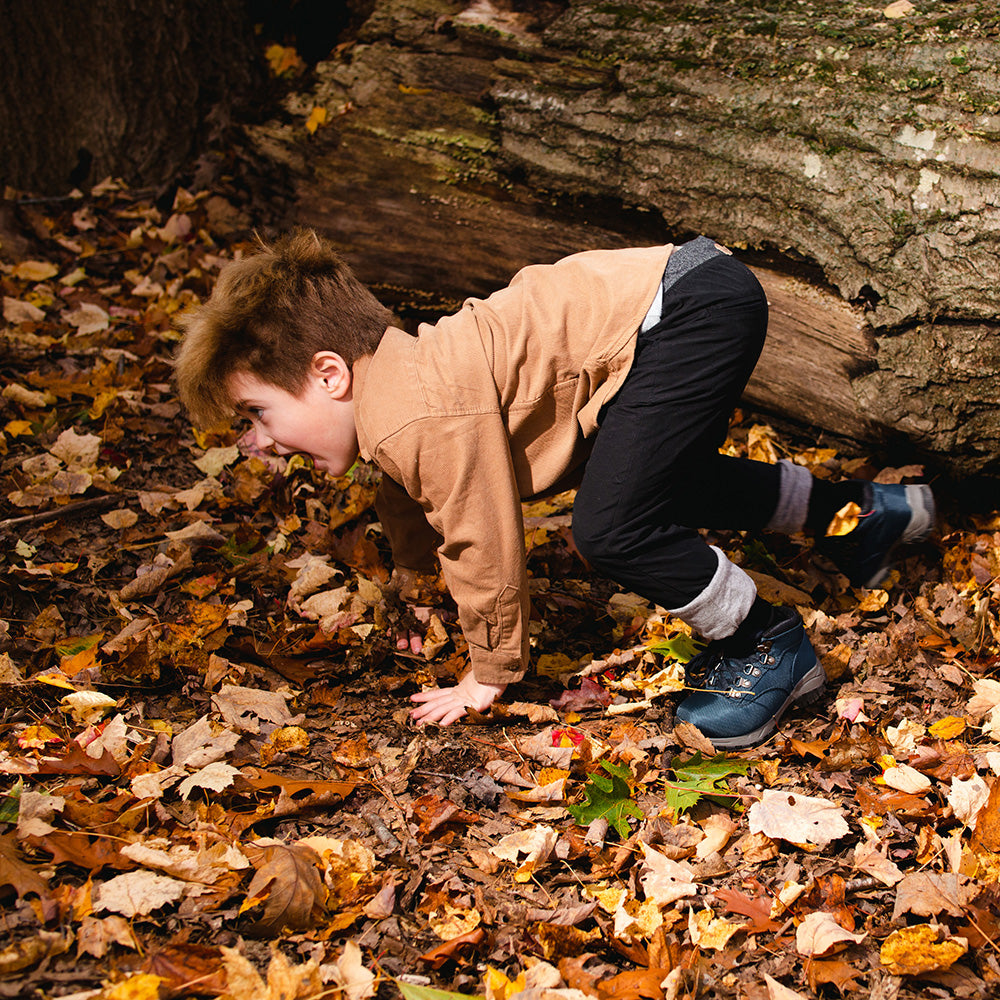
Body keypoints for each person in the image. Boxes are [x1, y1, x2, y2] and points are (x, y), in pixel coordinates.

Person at [173, 230, 935, 748]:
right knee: (664, 484)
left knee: (612, 527)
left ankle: (766, 643)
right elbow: (407, 494)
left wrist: (488, 672)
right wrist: (410, 572)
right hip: (687, 294)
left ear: (329, 374)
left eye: (258, 413)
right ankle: (861, 518)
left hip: (682, 312)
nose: (259, 440)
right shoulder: (395, 398)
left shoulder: (414, 412)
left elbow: (481, 536)